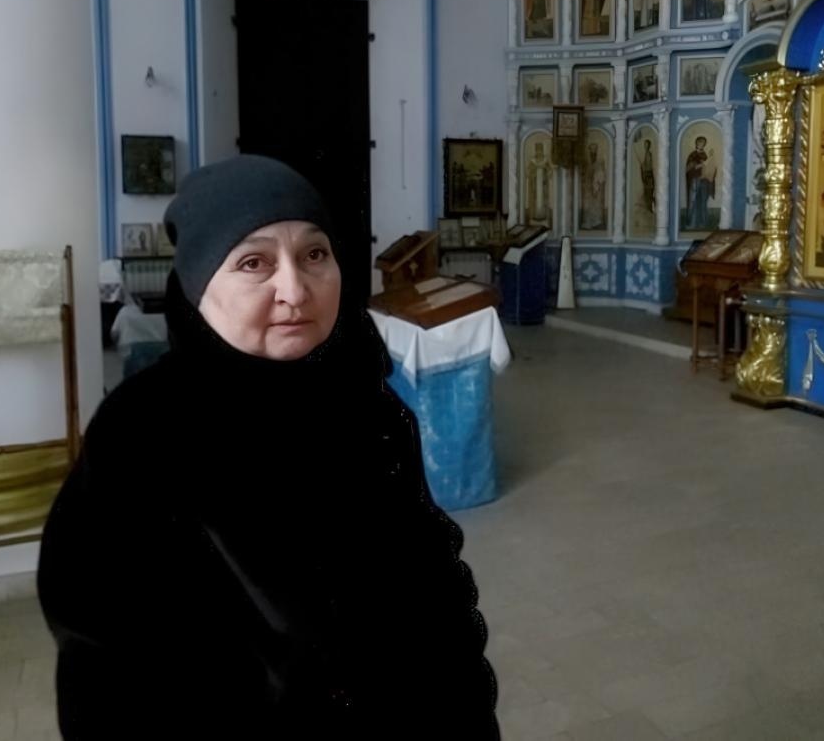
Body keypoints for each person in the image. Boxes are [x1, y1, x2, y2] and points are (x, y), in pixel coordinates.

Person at [38, 155, 499, 739]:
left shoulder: (369, 406)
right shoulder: (143, 434)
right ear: (198, 285)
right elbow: (106, 671)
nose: (295, 289)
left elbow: (437, 592)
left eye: (315, 255)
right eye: (254, 262)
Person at [685, 136, 714, 229]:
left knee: (703, 201)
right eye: (701, 143)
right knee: (693, 201)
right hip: (695, 180)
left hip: (703, 180)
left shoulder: (704, 155)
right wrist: (702, 164)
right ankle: (692, 223)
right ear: (697, 143)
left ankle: (703, 223)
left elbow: (708, 167)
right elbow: (689, 168)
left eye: (703, 143)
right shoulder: (693, 155)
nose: (702, 145)